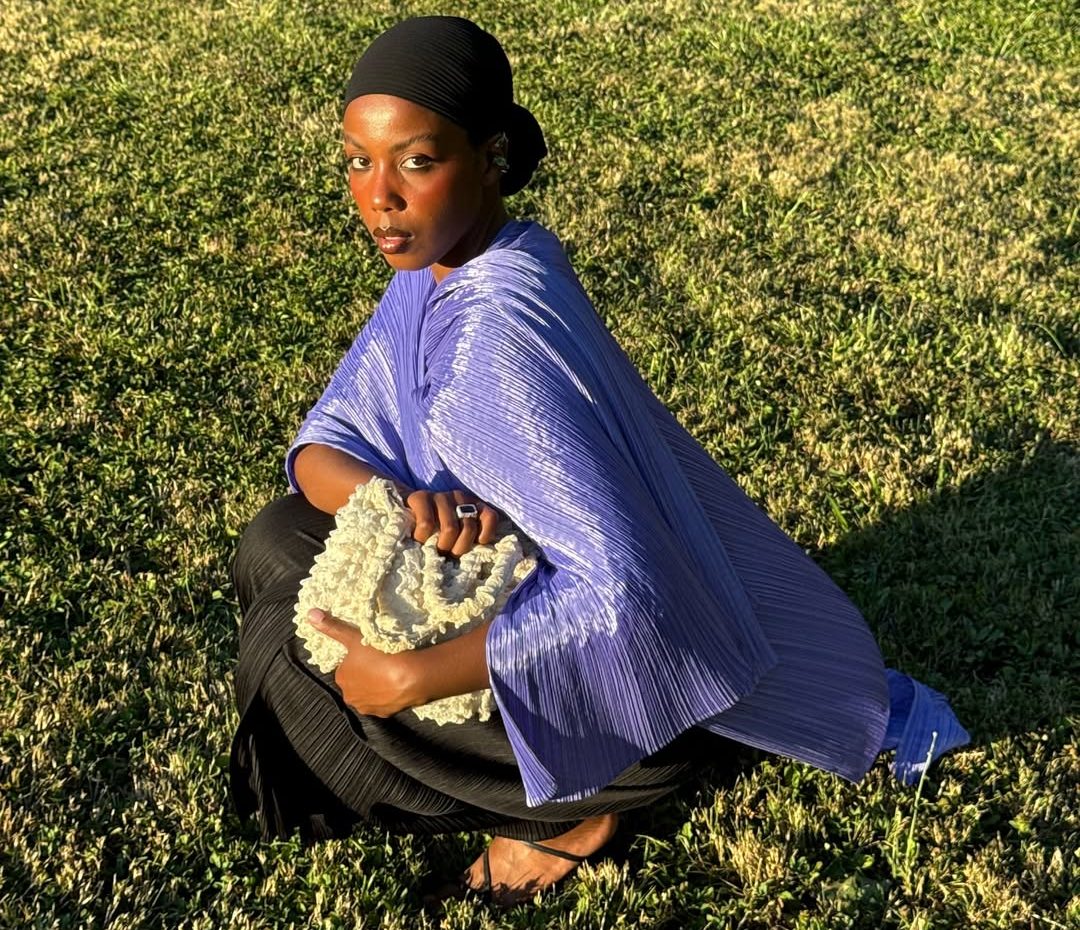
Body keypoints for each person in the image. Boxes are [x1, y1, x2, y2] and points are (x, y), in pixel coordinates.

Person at [229, 15, 968, 906]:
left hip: (657, 683)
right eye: (357, 161)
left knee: (304, 662)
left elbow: (632, 598)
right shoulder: (452, 267)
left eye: (415, 162)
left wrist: (411, 677)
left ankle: (570, 810)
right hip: (526, 579)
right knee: (281, 539)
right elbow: (330, 440)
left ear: (492, 157)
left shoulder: (498, 337)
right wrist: (399, 499)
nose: (378, 196)